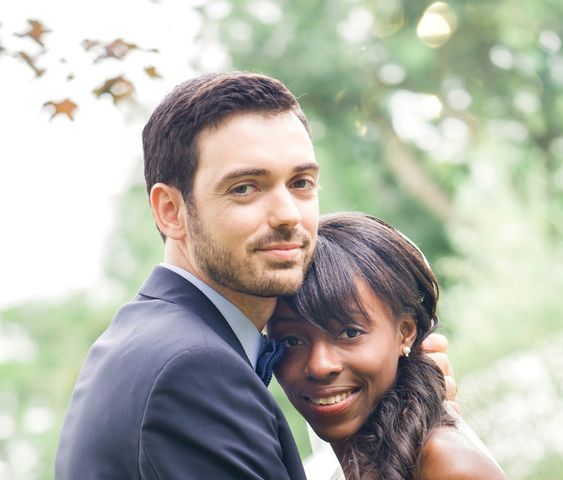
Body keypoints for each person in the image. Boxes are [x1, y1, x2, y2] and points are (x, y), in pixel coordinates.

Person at [55, 72, 454, 479]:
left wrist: (398, 420)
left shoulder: (148, 339)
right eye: (245, 188)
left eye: (301, 183)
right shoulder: (193, 368)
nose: (286, 214)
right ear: (171, 211)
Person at [270, 212, 508, 480]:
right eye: (292, 341)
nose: (320, 365)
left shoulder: (448, 465)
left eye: (350, 332)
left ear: (405, 332)